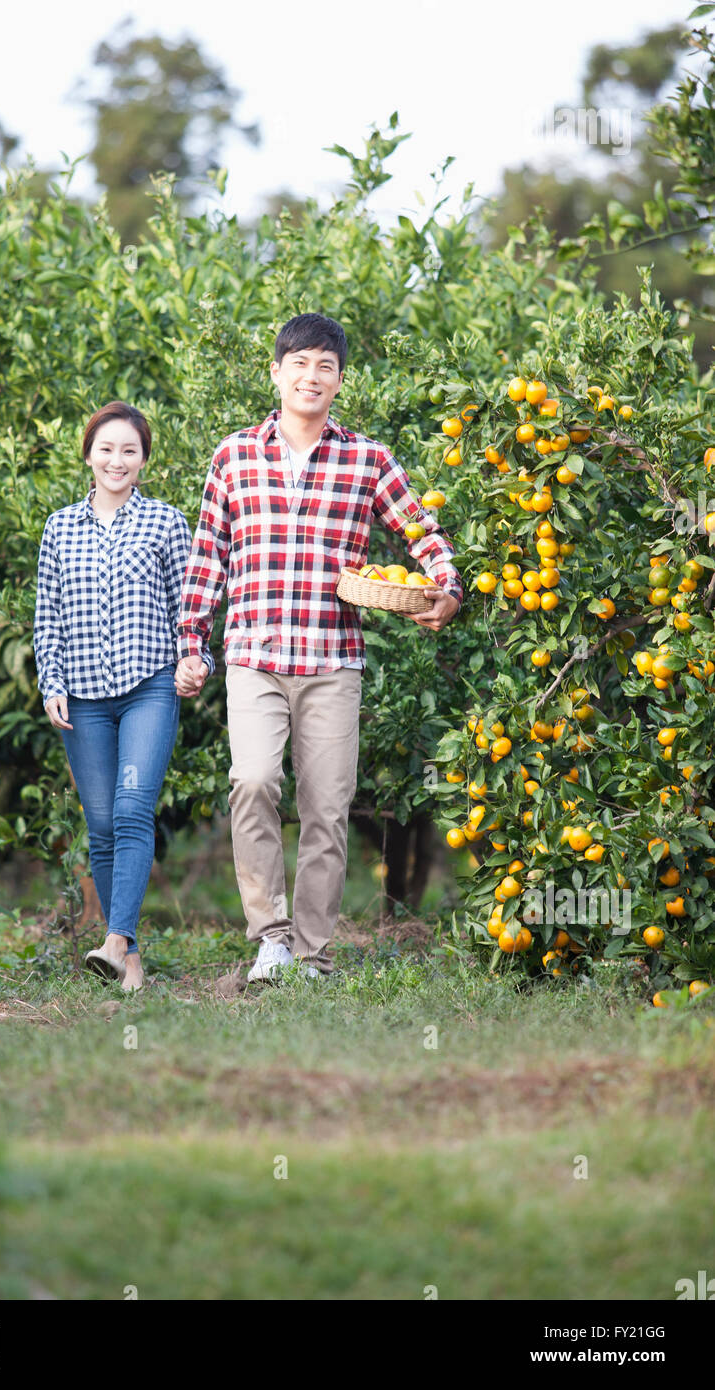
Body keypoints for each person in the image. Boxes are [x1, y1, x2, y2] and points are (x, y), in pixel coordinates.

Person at [175, 313, 462, 983]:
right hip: (254, 653)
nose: (311, 376)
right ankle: (270, 936)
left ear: (339, 382)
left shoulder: (367, 458)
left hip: (333, 660)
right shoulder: (234, 455)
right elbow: (208, 556)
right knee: (251, 783)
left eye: (325, 367)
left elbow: (420, 531)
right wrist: (193, 642)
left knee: (328, 809)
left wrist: (446, 583)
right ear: (275, 373)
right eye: (299, 363)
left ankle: (312, 953)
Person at [33, 401, 192, 992]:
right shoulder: (59, 527)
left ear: (144, 459)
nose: (117, 460)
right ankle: (128, 958)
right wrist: (51, 682)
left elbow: (188, 606)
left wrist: (192, 661)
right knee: (100, 823)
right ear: (88, 454)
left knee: (130, 810)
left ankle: (116, 938)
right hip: (82, 694)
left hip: (149, 684)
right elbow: (46, 612)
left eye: (129, 450)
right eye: (107, 448)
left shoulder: (167, 523)